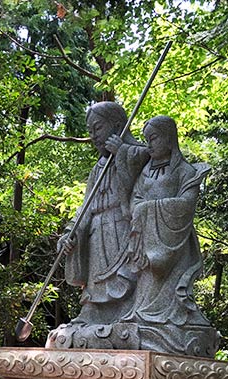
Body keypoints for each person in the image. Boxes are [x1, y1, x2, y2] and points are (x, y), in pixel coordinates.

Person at [122, 115, 219, 356]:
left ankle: (172, 323)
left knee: (171, 293)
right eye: (146, 140)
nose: (149, 145)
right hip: (148, 241)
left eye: (153, 138)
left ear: (168, 138)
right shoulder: (146, 171)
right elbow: (135, 200)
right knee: (146, 291)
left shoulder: (185, 171)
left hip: (174, 243)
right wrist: (142, 209)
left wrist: (148, 208)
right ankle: (144, 318)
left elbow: (187, 205)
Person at [57, 101, 149, 325]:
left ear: (117, 125)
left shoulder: (139, 154)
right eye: (90, 131)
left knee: (125, 277)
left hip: (124, 228)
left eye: (97, 128)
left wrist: (122, 153)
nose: (93, 136)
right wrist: (70, 233)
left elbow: (147, 185)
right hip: (97, 231)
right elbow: (85, 207)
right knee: (95, 281)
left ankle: (127, 312)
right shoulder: (98, 168)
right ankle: (92, 312)